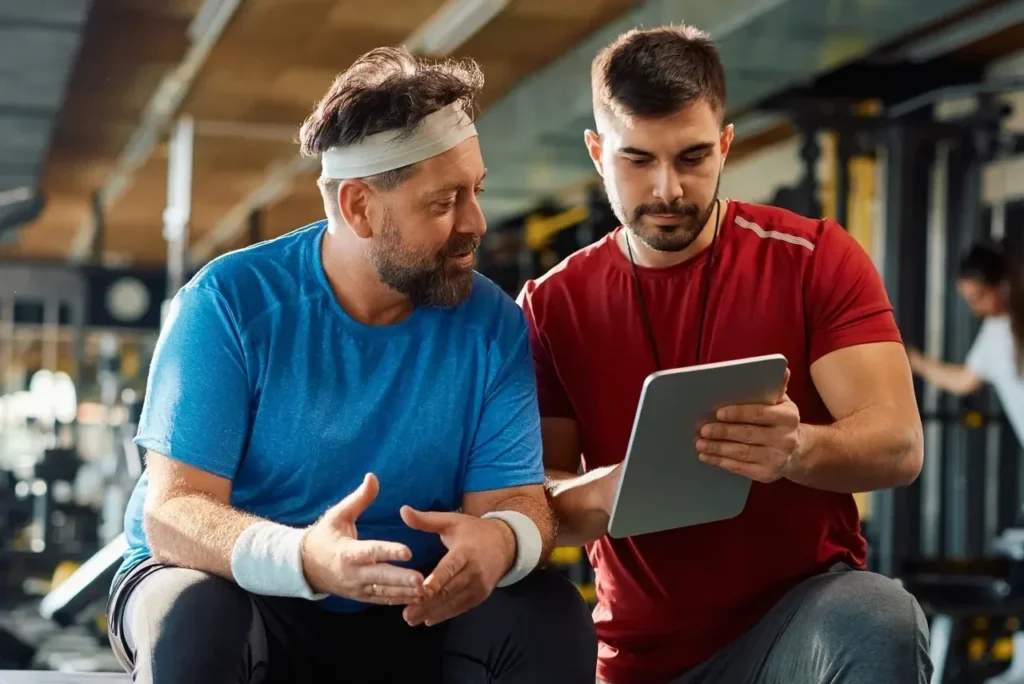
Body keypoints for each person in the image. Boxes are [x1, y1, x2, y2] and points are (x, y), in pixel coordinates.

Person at [106, 47, 596, 684]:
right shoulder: (229, 303)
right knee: (194, 616)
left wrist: (503, 538)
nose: (475, 222)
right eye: (443, 202)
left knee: (548, 613)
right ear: (360, 206)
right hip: (247, 591)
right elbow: (173, 513)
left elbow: (513, 500)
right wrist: (303, 557)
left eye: (475, 190)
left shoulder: (493, 324)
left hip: (413, 602)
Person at [517, 25, 930, 684]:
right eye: (637, 160)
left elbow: (900, 447)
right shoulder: (550, 306)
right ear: (597, 152)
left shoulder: (813, 258)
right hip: (641, 652)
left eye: (692, 158)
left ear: (726, 144)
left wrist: (800, 449)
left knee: (882, 616)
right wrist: (606, 490)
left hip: (796, 626)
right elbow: (528, 501)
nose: (667, 190)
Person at [908, 240, 1024, 444]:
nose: (974, 308)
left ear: (1001, 285)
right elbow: (964, 380)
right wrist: (915, 361)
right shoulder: (994, 331)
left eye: (978, 297)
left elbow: (963, 381)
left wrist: (915, 361)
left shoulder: (999, 331)